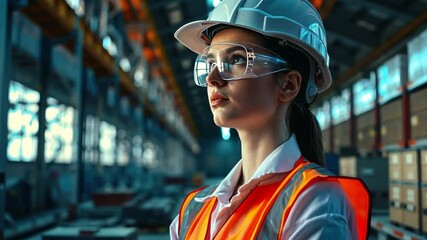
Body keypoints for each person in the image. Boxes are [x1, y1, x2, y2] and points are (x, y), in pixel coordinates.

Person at [170, 0, 371, 239]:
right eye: (211, 62)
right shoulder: (193, 211)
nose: (213, 78)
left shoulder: (314, 201)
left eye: (236, 59)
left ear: (288, 85)